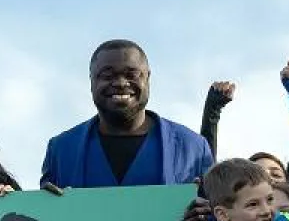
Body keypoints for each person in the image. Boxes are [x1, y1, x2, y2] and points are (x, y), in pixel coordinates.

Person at [42, 39, 212, 188]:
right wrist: (46, 206)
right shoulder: (60, 150)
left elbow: (222, 215)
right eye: (107, 75)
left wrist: (209, 213)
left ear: (147, 79)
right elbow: (45, 220)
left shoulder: (193, 147)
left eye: (132, 74)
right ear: (92, 81)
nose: (121, 83)